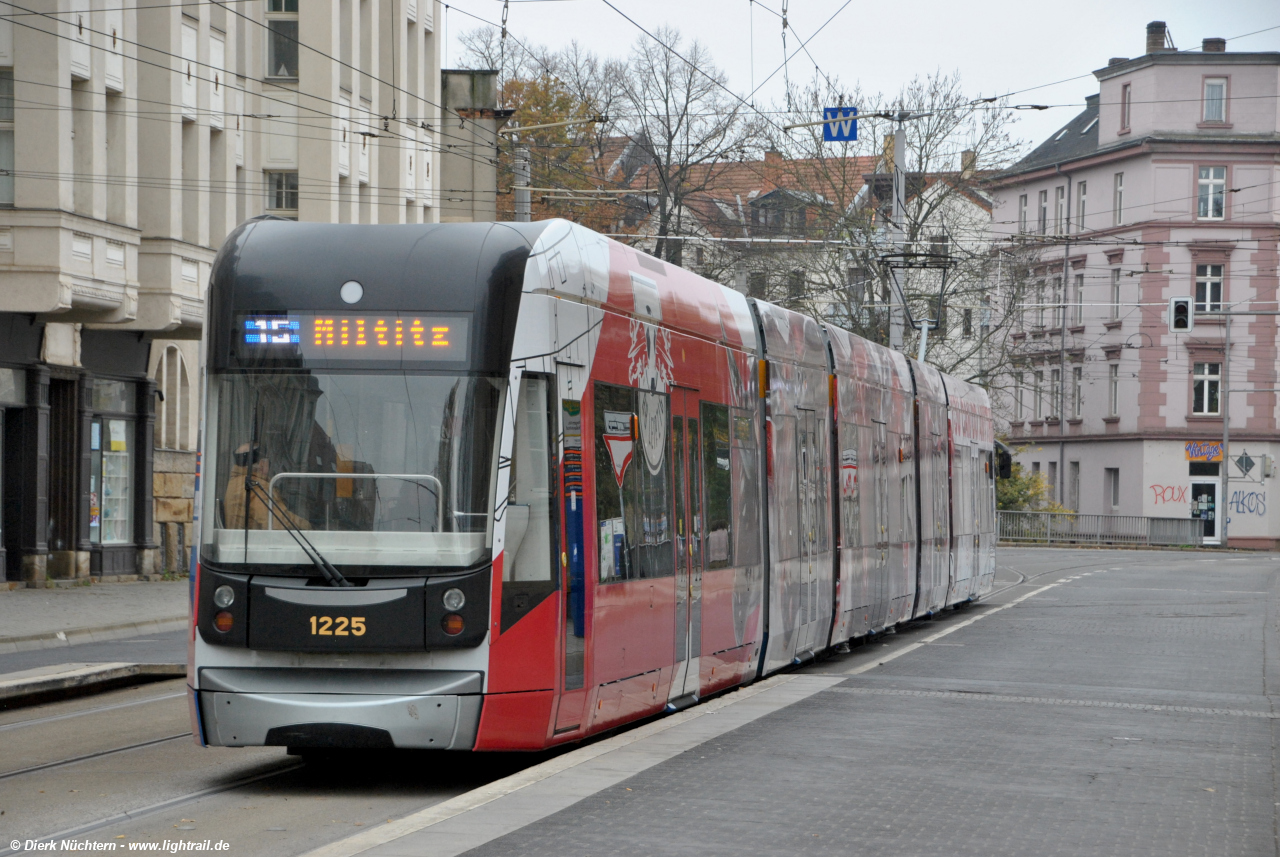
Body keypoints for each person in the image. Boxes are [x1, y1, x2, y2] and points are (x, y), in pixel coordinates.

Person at [223, 443, 312, 530]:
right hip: (256, 542)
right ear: (262, 464)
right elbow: (279, 523)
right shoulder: (255, 487)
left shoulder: (237, 482)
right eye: (269, 462)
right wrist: (308, 526)